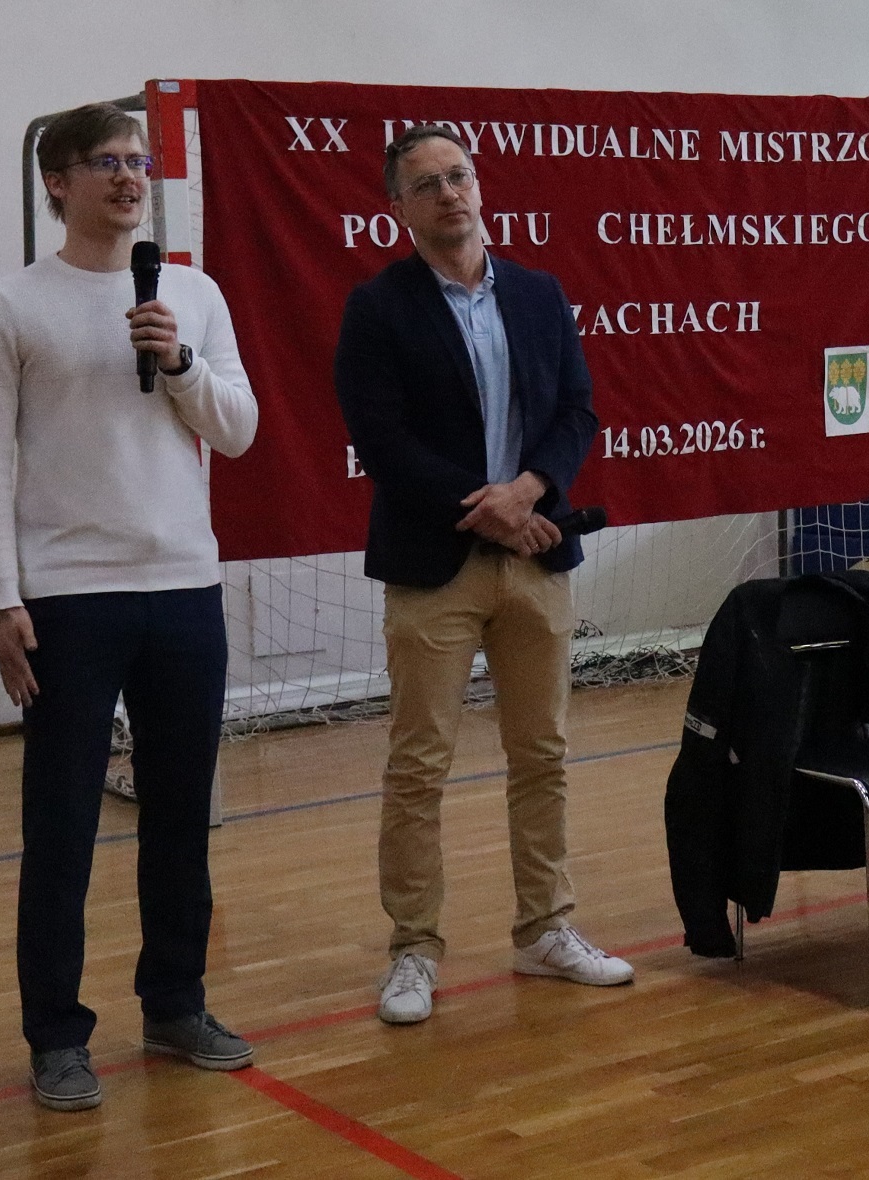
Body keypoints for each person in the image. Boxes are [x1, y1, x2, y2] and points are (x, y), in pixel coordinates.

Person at [0, 103, 258, 1110]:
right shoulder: (8, 307)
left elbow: (240, 429)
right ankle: (56, 1036)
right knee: (62, 830)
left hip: (185, 589)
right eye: (106, 162)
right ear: (58, 182)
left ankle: (175, 1002)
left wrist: (179, 363)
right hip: (68, 600)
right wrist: (0, 598)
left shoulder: (192, 294)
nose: (130, 178)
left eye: (138, 161)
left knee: (180, 817)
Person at [334, 125, 634, 1025]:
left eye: (458, 176)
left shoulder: (538, 294)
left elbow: (577, 409)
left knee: (542, 754)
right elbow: (381, 438)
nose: (448, 193)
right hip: (436, 566)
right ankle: (414, 949)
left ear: (480, 186)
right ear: (399, 207)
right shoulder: (377, 308)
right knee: (418, 766)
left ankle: (545, 928)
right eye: (426, 184)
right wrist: (488, 506)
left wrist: (531, 489)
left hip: (536, 558)